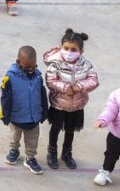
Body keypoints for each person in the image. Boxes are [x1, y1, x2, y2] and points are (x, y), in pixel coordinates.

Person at [42, 29, 98, 169]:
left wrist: (80, 86)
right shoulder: (55, 63)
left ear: (81, 51)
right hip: (59, 105)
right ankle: (52, 152)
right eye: (66, 48)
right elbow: (50, 81)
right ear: (61, 47)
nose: (69, 52)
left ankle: (67, 153)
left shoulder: (86, 65)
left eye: (73, 49)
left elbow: (93, 80)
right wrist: (65, 88)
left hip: (77, 106)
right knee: (55, 128)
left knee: (70, 130)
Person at [0, 46, 48, 174]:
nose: (31, 70)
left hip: (33, 117)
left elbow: (42, 94)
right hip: (16, 116)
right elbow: (5, 98)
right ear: (18, 62)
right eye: (27, 67)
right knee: (14, 136)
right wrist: (5, 114)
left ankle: (30, 158)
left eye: (34, 66)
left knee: (32, 140)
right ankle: (14, 150)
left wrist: (44, 111)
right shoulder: (10, 77)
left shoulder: (38, 76)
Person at [92, 78, 120, 187]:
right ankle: (105, 171)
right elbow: (110, 110)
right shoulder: (118, 94)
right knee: (110, 154)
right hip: (116, 133)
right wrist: (103, 120)